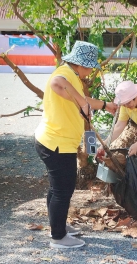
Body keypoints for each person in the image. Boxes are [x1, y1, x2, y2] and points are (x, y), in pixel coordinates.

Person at [34, 40, 117, 249]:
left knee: (57, 188)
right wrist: (83, 103)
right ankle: (58, 237)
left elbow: (84, 101)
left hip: (58, 142)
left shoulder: (74, 76)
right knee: (63, 190)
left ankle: (58, 225)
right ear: (80, 64)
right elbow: (57, 83)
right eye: (89, 67)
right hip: (56, 144)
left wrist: (106, 106)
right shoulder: (65, 73)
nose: (90, 71)